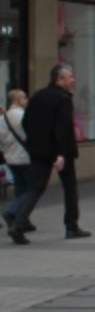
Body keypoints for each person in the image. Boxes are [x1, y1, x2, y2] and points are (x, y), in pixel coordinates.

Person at [21, 64, 90, 240]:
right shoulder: (64, 99)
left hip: (38, 150)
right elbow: (63, 129)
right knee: (70, 188)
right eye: (70, 77)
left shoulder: (37, 96)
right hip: (60, 151)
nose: (73, 80)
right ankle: (71, 226)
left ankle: (18, 220)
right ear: (59, 79)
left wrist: (35, 142)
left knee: (36, 187)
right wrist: (60, 153)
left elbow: (25, 122)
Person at [1, 89, 35, 244]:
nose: (26, 100)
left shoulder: (3, 118)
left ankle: (22, 219)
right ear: (18, 99)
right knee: (30, 190)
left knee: (20, 188)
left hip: (10, 158)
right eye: (24, 97)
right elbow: (31, 134)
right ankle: (13, 211)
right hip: (24, 157)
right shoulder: (21, 115)